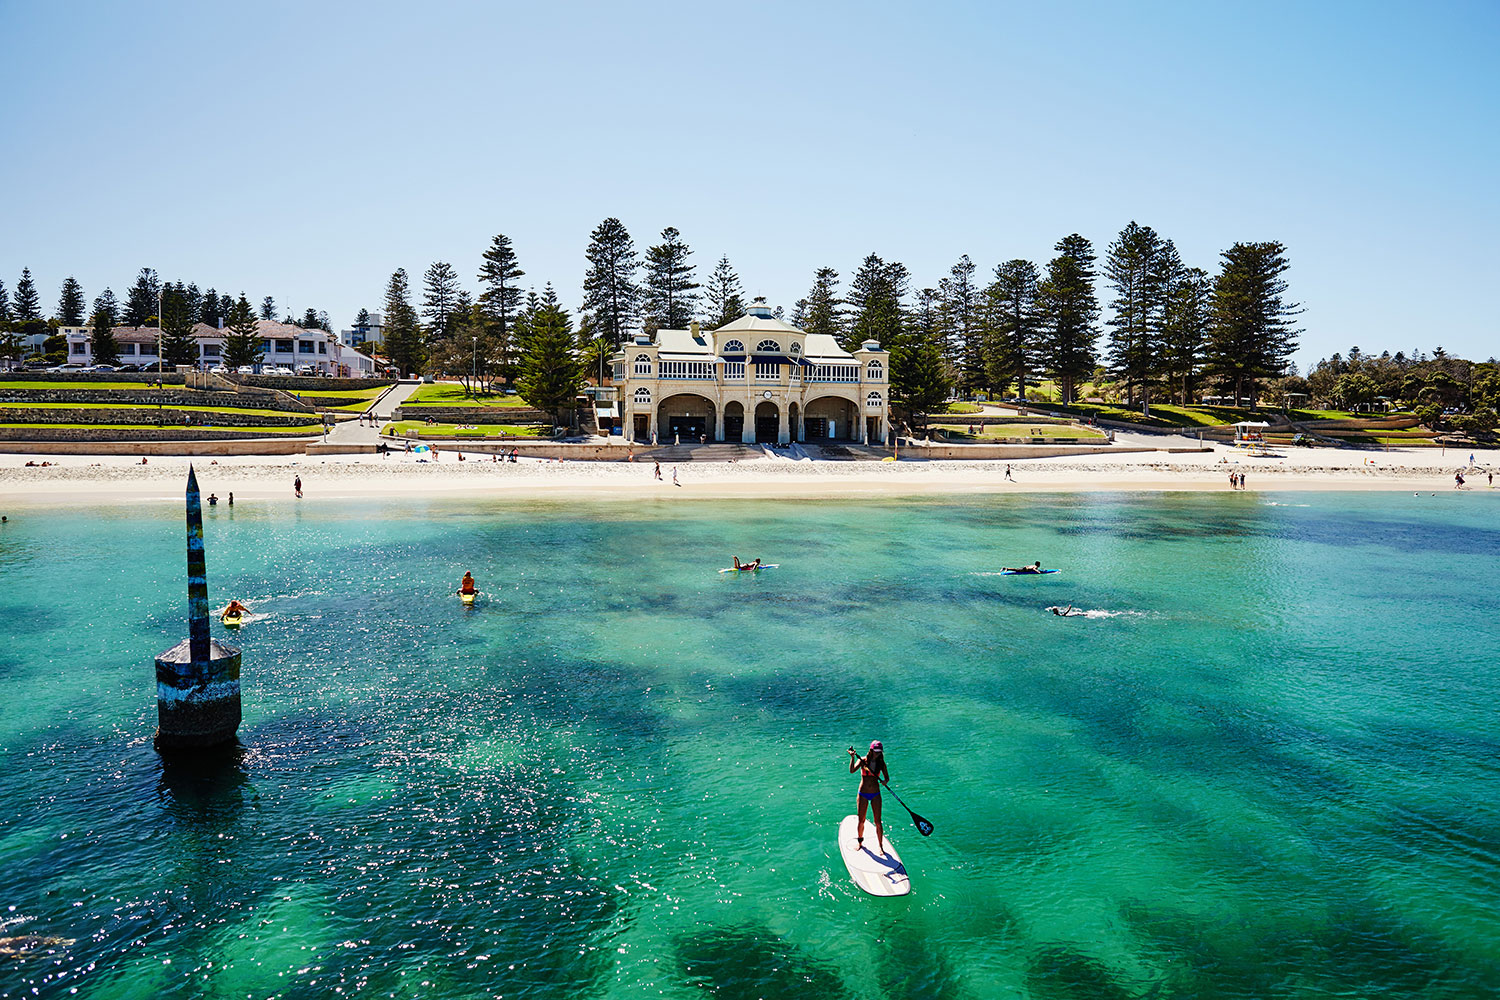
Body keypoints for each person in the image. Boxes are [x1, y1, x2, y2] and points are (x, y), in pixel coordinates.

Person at [847, 741, 889, 851]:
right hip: (863, 794)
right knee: (861, 820)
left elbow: (887, 777)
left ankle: (881, 847)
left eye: (879, 752)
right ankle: (860, 842)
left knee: (878, 822)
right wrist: (852, 758)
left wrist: (885, 781)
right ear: (871, 750)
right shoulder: (863, 760)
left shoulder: (881, 763)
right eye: (875, 752)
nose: (877, 754)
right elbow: (852, 771)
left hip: (876, 794)